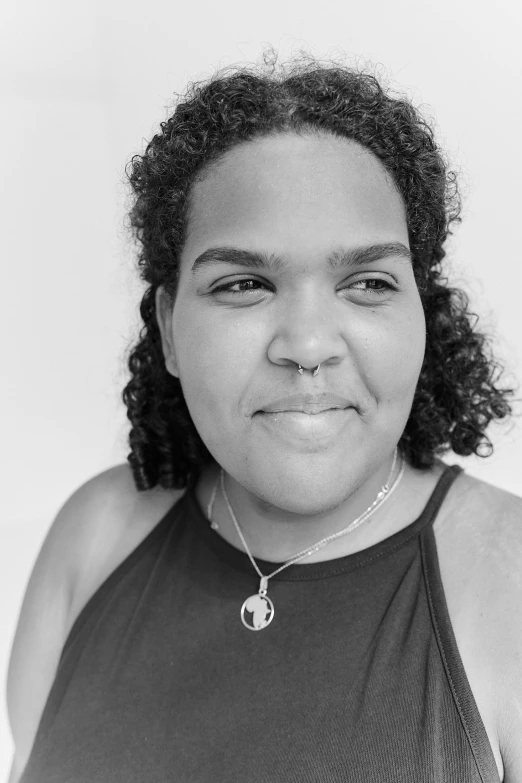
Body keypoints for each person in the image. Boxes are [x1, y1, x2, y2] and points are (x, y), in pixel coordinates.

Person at [6, 55, 522, 782]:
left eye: (369, 282)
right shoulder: (95, 537)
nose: (308, 345)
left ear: (423, 313)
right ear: (169, 327)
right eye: (244, 284)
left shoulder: (512, 580)